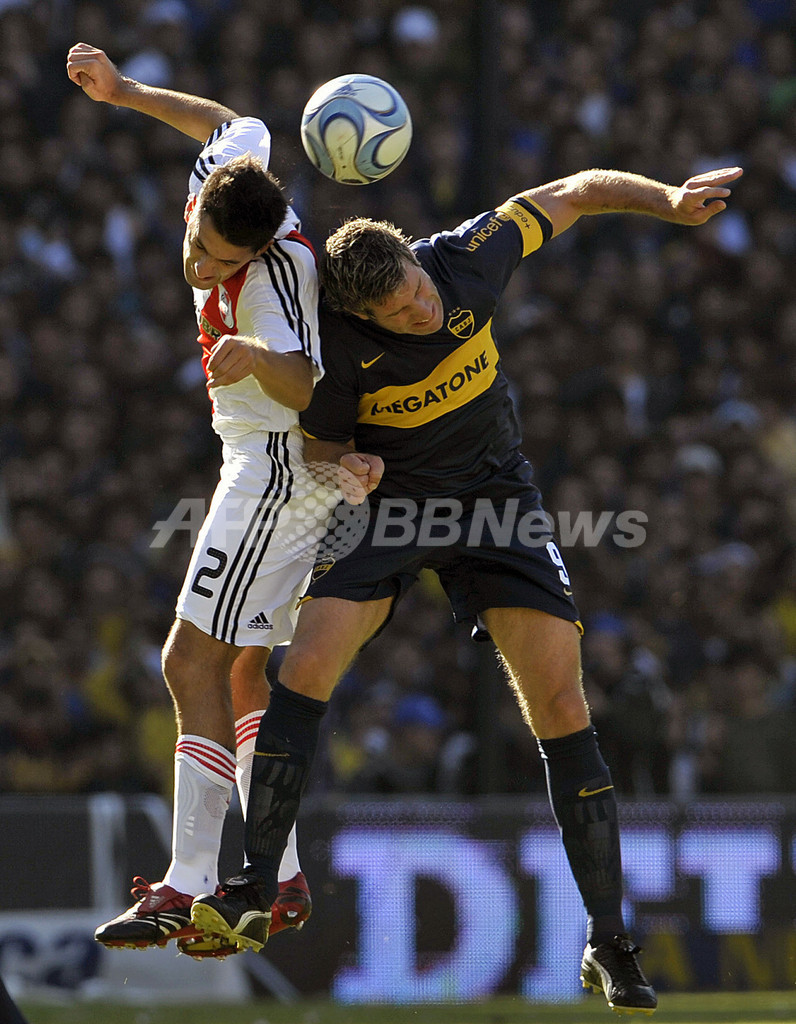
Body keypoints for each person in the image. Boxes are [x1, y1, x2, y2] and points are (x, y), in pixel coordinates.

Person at [188, 162, 741, 1009]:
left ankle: (610, 941)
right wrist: (348, 467)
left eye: (416, 289)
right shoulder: (336, 346)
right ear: (361, 316)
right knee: (304, 670)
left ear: (417, 259)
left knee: (563, 704)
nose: (422, 309)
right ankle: (254, 886)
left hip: (496, 501)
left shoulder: (465, 256)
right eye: (400, 311)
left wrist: (666, 201)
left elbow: (576, 191)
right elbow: (323, 449)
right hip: (392, 510)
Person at [65, 43, 342, 958]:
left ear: (255, 251)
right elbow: (226, 120)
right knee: (240, 676)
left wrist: (256, 356)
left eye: (218, 259)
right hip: (257, 463)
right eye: (197, 241)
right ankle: (278, 877)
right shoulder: (232, 172)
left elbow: (306, 383)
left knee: (188, 662)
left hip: (275, 471)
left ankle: (187, 884)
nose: (198, 263)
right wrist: (124, 92)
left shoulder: (278, 276)